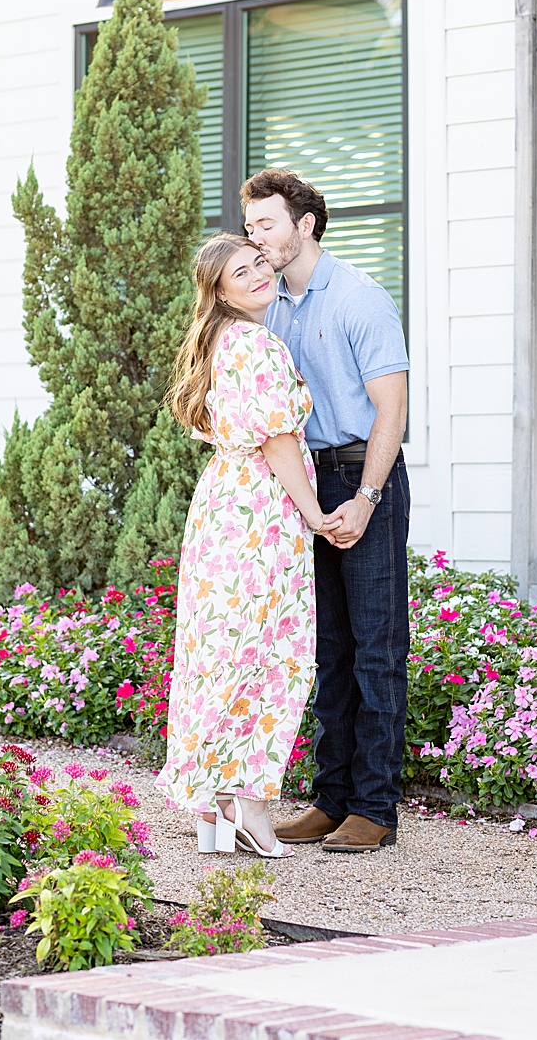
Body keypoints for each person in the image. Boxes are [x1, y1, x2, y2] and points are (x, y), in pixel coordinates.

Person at [242, 169, 412, 855]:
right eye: (250, 227)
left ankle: (374, 807)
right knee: (327, 649)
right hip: (306, 485)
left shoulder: (360, 299)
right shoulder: (270, 306)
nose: (255, 239)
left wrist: (366, 499)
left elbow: (391, 412)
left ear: (304, 224)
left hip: (362, 474)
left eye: (267, 225)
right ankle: (331, 796)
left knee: (377, 647)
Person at [156, 234, 326, 858]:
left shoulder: (216, 342)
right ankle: (248, 801)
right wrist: (314, 514)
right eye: (240, 271)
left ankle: (214, 801)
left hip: (222, 509)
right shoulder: (256, 343)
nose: (257, 274)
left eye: (258, 262)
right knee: (275, 653)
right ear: (219, 291)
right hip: (263, 514)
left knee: (221, 651)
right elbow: (280, 442)